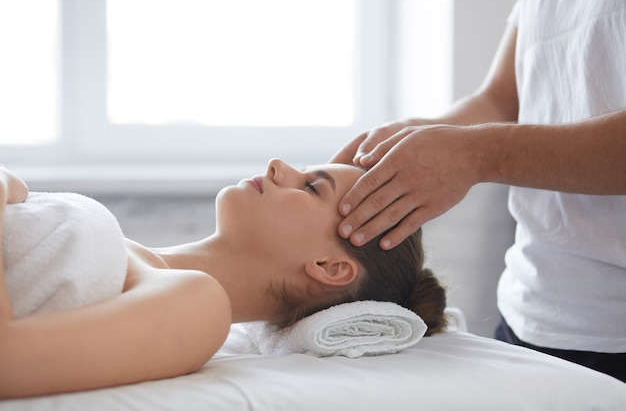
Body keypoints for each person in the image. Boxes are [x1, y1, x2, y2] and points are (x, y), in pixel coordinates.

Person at [331, 0, 626, 382]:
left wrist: (477, 155)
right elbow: (502, 99)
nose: (274, 168)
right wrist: (418, 135)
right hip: (532, 315)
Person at [0, 159, 447, 398]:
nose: (277, 166)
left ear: (329, 269)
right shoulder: (133, 256)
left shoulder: (196, 304)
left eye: (311, 186)